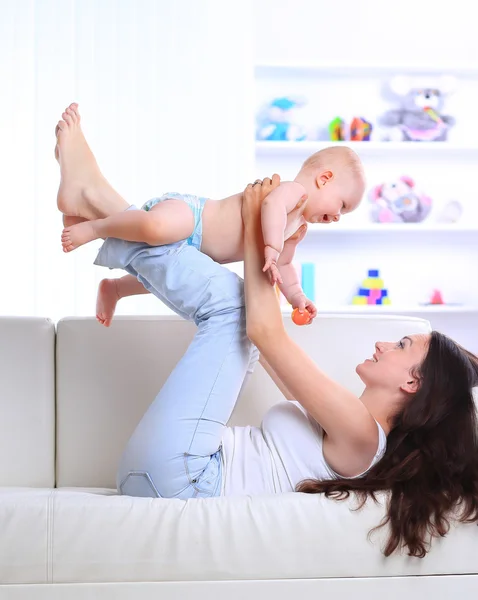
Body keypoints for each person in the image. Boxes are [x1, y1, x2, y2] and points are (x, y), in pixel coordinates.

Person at [55, 104, 478, 559]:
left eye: (400, 345)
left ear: (412, 382)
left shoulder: (362, 435)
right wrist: (286, 291)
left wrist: (259, 225)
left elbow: (263, 330)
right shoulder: (347, 421)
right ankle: (96, 198)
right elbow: (270, 341)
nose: (382, 344)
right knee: (238, 314)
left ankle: (97, 201)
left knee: (235, 311)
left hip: (182, 478)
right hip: (175, 472)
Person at [58, 103, 365, 319]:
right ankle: (95, 227)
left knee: (159, 279)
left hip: (199, 252)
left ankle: (115, 289)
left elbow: (284, 268)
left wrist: (297, 298)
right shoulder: (293, 194)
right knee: (154, 229)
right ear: (324, 179)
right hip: (194, 218)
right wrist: (271, 248)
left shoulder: (297, 227)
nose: (338, 216)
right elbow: (270, 206)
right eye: (342, 205)